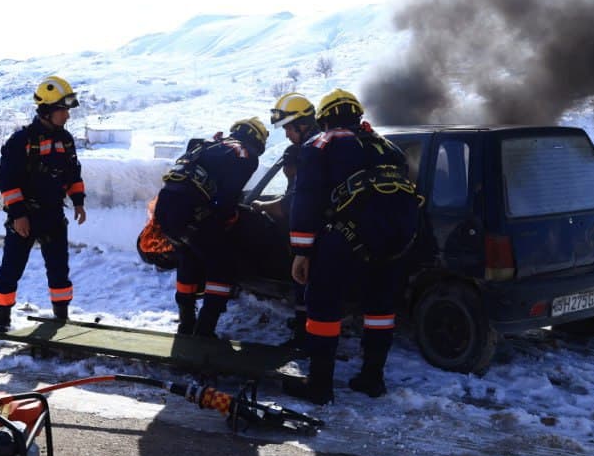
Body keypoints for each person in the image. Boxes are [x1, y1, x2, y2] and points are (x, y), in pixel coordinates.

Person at [284, 89, 420, 405]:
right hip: (394, 245)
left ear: (325, 118)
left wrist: (301, 251)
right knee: (380, 309)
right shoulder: (387, 147)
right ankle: (372, 379)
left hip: (342, 241)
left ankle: (319, 386)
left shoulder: (321, 143)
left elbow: (306, 199)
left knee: (323, 307)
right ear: (357, 115)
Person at [154, 117, 268, 337]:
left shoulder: (207, 144)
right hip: (191, 212)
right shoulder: (244, 154)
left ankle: (186, 323)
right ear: (256, 141)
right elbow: (228, 197)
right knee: (222, 265)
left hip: (165, 208)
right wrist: (227, 218)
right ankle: (205, 331)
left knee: (188, 257)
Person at [0, 76, 88, 332]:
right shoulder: (21, 141)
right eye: (63, 110)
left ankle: (60, 319)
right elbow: (7, 181)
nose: (67, 116)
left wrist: (78, 202)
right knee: (11, 269)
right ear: (47, 110)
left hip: (54, 216)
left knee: (59, 270)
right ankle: (2, 320)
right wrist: (19, 214)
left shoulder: (65, 140)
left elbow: (73, 175)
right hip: (25, 217)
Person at [256, 92, 319, 347]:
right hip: (324, 236)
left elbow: (291, 205)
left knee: (307, 286)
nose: (286, 134)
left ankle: (306, 339)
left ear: (302, 124)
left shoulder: (312, 155)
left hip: (317, 240)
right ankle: (305, 328)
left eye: (288, 128)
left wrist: (260, 206)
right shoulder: (320, 149)